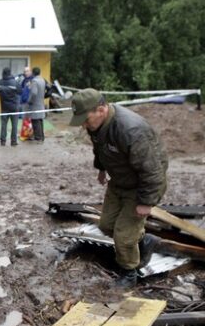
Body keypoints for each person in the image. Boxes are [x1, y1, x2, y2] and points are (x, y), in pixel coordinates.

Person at [69, 88, 168, 287]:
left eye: (86, 120)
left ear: (101, 109)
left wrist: (146, 202)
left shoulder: (130, 130)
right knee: (106, 225)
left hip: (139, 186)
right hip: (119, 181)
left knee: (123, 237)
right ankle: (143, 242)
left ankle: (129, 272)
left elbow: (153, 170)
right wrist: (101, 169)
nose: (84, 126)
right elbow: (100, 148)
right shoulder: (96, 126)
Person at [0, 67, 21, 146]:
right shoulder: (15, 82)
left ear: (3, 73)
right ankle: (13, 142)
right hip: (14, 107)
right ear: (10, 73)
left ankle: (2, 141)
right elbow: (20, 91)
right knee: (14, 125)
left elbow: (0, 90)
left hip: (4, 107)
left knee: (3, 125)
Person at [28, 67, 46, 143]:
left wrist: (30, 101)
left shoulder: (34, 81)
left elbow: (34, 93)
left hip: (35, 104)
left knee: (35, 121)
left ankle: (38, 138)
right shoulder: (42, 80)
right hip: (41, 102)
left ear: (33, 73)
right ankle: (42, 137)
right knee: (40, 120)